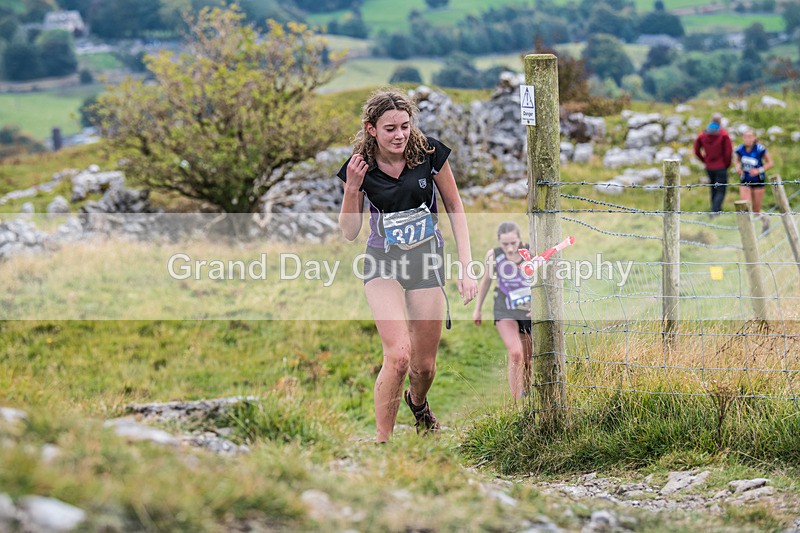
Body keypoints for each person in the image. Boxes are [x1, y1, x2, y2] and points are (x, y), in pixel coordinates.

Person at [337, 89, 478, 443]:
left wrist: (466, 267)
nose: (399, 135)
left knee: (423, 366)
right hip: (381, 263)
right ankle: (382, 443)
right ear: (371, 129)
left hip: (425, 261)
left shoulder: (429, 153)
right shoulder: (359, 165)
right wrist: (352, 188)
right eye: (389, 129)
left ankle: (418, 404)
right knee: (398, 356)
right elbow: (350, 231)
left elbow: (455, 207)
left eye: (404, 125)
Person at [472, 222, 532, 401]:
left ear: (520, 240)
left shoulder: (529, 253)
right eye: (505, 244)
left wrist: (538, 305)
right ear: (499, 242)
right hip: (504, 308)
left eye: (513, 243)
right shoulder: (494, 255)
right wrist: (478, 309)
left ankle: (527, 394)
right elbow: (486, 281)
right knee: (515, 353)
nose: (510, 248)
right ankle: (516, 403)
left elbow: (542, 280)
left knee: (529, 361)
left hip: (528, 310)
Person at [735, 129, 774, 233]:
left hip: (758, 181)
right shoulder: (740, 149)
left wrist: (759, 170)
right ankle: (747, 231)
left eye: (750, 136)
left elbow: (770, 163)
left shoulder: (760, 149)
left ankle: (765, 220)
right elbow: (737, 161)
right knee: (745, 207)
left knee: (756, 210)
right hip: (745, 181)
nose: (747, 139)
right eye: (745, 136)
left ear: (754, 138)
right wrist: (738, 168)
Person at [694, 115, 732, 215]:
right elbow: (728, 152)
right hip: (721, 166)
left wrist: (704, 160)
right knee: (721, 190)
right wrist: (726, 164)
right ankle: (715, 211)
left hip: (709, 166)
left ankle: (715, 210)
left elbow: (696, 150)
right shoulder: (723, 135)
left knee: (713, 188)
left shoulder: (703, 135)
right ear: (720, 122)